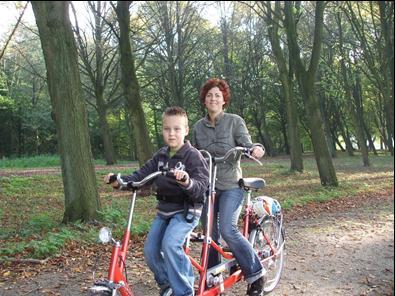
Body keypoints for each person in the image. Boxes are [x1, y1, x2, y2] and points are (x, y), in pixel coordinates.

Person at [105, 106, 209, 296]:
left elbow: (202, 185)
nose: (171, 134)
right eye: (167, 129)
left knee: (170, 244)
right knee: (151, 250)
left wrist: (187, 181)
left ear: (186, 130)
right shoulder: (160, 156)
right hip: (165, 210)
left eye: (177, 129)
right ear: (162, 130)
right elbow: (140, 175)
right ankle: (167, 284)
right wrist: (119, 181)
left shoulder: (193, 156)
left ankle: (185, 290)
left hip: (187, 210)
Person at [192, 78, 265, 296]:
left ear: (224, 99)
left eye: (217, 95)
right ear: (204, 100)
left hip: (232, 184)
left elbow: (248, 143)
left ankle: (256, 274)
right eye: (209, 95)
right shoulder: (197, 127)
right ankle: (213, 277)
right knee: (210, 233)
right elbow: (193, 153)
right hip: (208, 185)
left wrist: (255, 149)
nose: (213, 98)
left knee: (227, 228)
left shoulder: (234, 121)